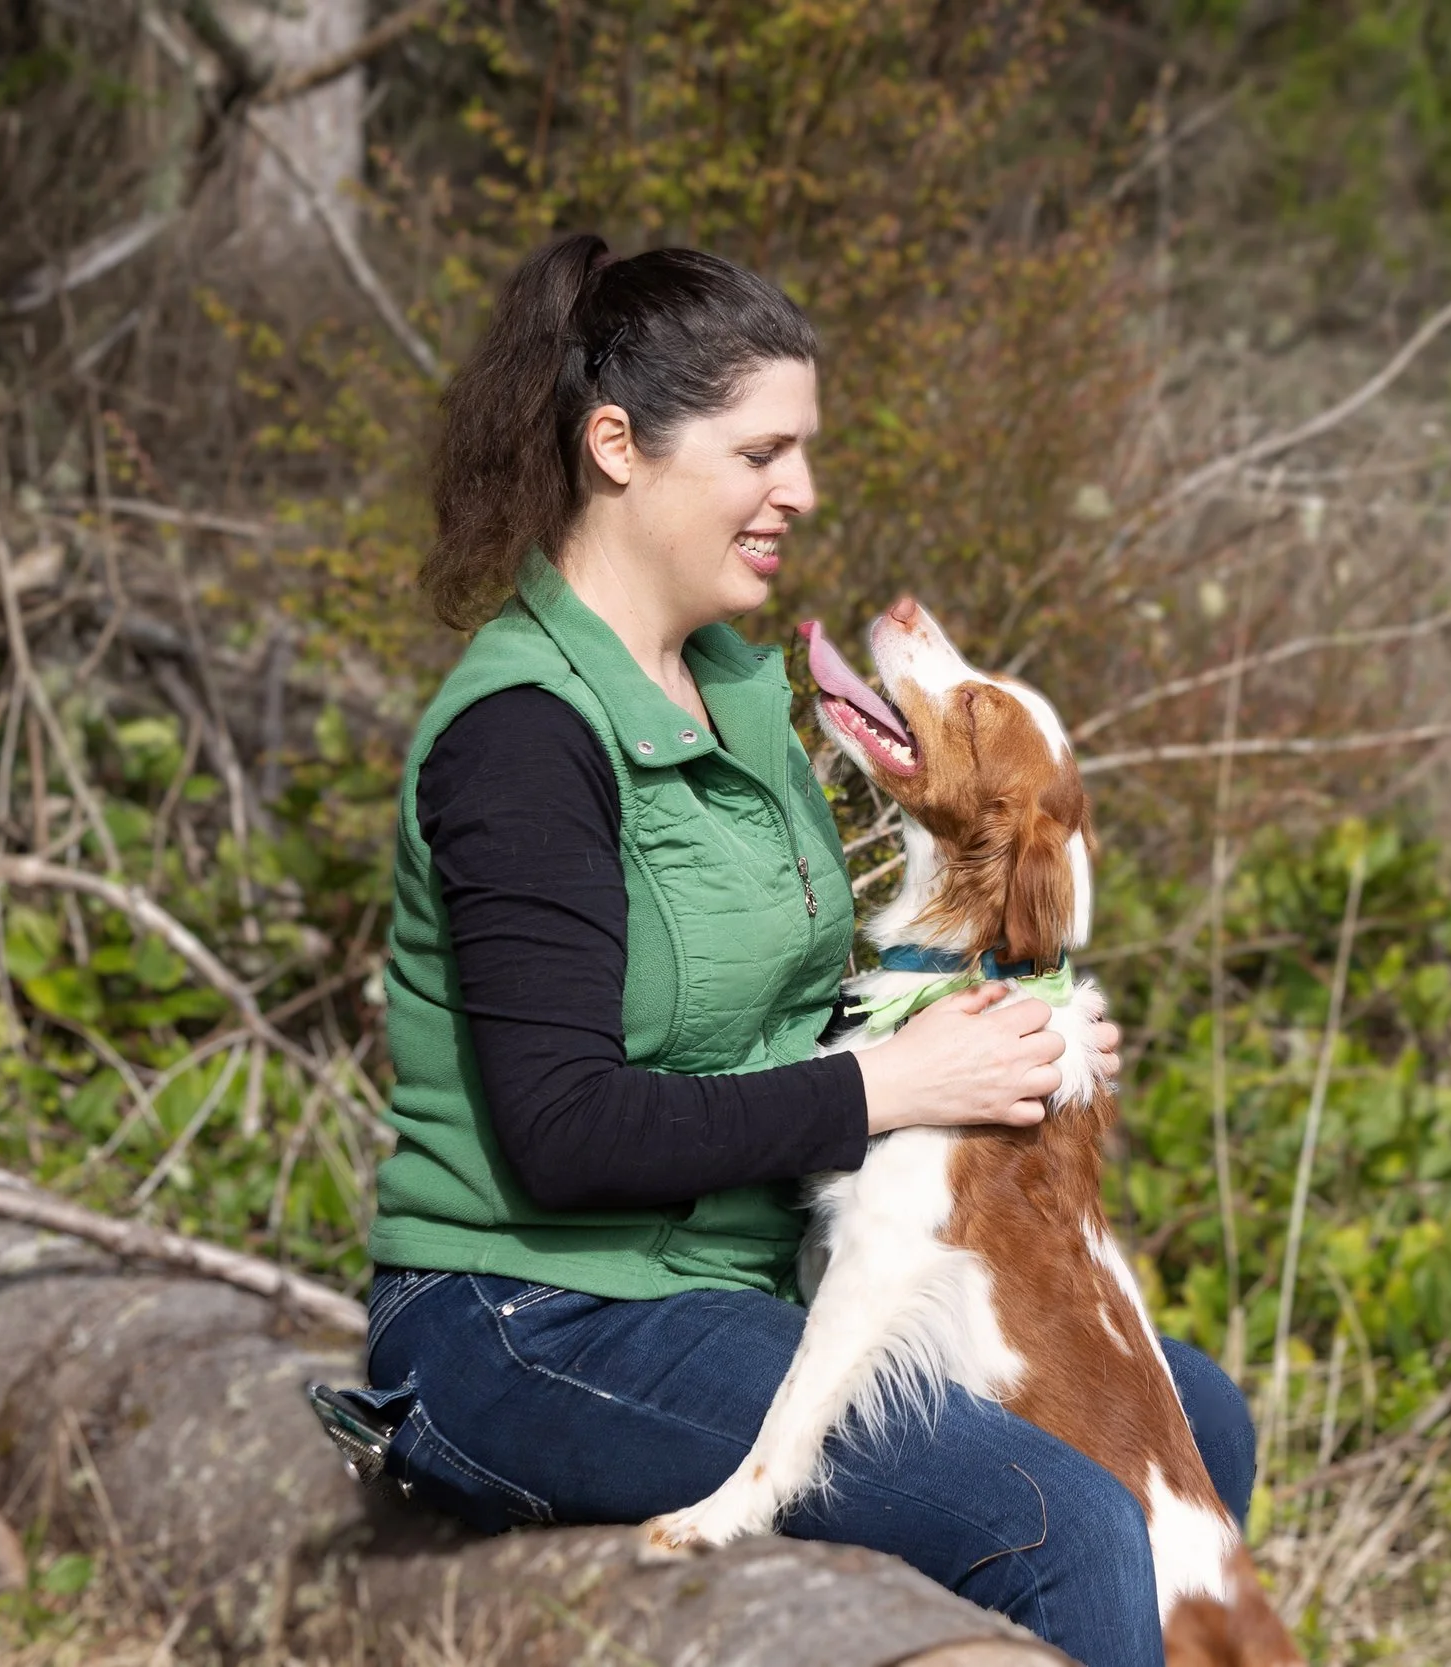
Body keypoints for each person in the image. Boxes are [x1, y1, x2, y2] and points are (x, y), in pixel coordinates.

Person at [350, 233, 1252, 1666]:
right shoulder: (521, 736)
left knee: (1199, 1416)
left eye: (807, 451)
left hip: (724, 1281)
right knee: (1067, 1518)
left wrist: (1002, 1035)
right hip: (532, 1315)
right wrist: (895, 1085)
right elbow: (563, 1130)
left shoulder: (735, 690)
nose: (803, 494)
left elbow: (750, 1012)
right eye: (764, 451)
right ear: (616, 447)